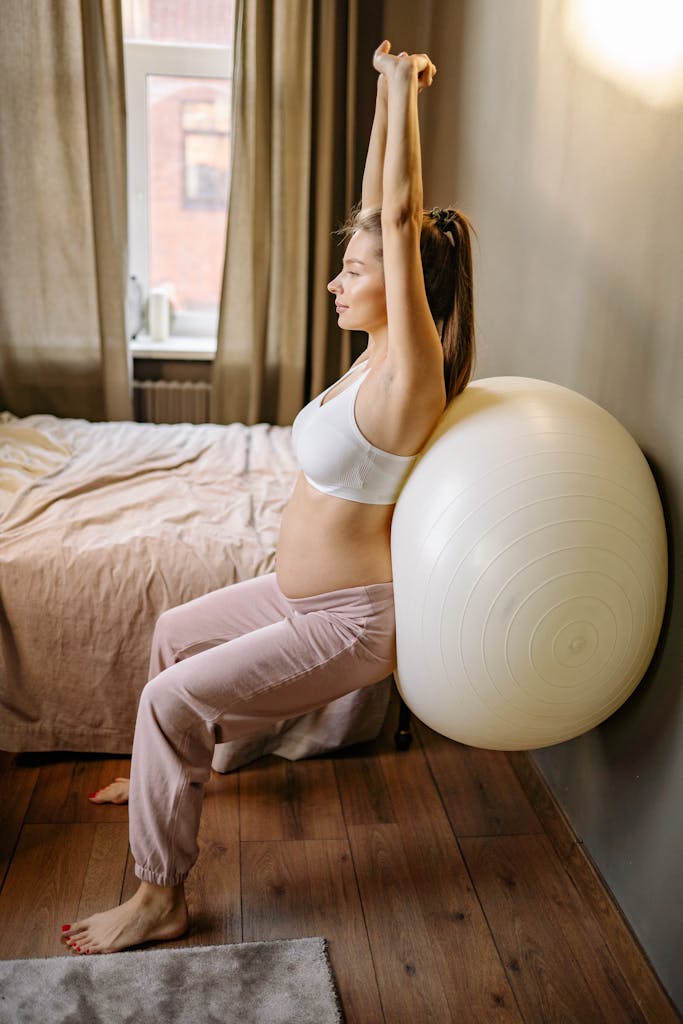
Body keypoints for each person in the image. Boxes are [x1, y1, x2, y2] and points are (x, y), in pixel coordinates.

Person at [61, 40, 475, 956]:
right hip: (298, 594)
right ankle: (182, 767)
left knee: (168, 698)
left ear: (407, 289)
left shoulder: (409, 375)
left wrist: (404, 90)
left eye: (355, 272)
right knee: (173, 633)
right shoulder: (372, 358)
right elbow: (381, 211)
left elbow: (398, 221)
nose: (337, 279)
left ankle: (157, 894)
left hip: (349, 623)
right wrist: (378, 91)